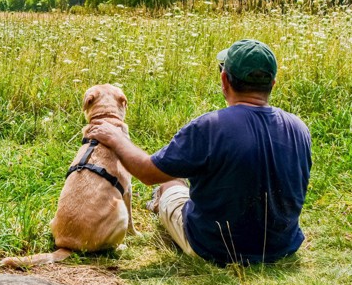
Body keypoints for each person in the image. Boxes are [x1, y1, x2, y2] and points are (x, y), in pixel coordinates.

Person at [86, 39, 311, 266]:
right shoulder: (299, 128)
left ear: (224, 79)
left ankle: (159, 201)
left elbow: (146, 172)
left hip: (212, 248)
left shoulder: (210, 126)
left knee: (169, 183)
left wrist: (115, 138)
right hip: (282, 246)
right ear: (272, 83)